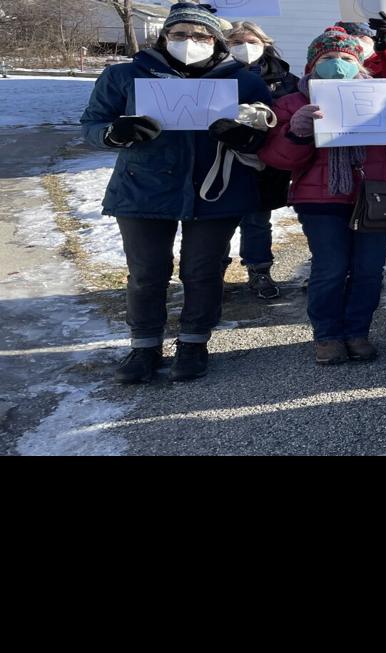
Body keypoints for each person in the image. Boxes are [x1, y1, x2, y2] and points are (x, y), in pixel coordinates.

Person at [79, 2, 273, 384]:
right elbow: (91, 125)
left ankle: (193, 342)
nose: (189, 41)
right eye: (180, 34)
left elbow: (268, 130)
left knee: (202, 271)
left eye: (200, 35)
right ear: (164, 36)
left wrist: (247, 136)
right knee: (146, 272)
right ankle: (144, 346)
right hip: (143, 188)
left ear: (216, 41)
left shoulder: (244, 80)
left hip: (216, 189)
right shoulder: (125, 75)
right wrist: (113, 133)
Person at [258, 26, 386, 366]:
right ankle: (327, 336)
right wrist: (297, 133)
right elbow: (276, 159)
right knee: (331, 268)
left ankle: (357, 332)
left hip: (376, 195)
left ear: (359, 62)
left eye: (345, 58)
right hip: (319, 199)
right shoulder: (292, 102)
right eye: (327, 58)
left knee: (369, 269)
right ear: (311, 65)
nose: (337, 64)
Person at [223, 20, 296, 299]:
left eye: (251, 41)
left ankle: (259, 271)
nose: (244, 47)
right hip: (221, 161)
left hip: (264, 163)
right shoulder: (213, 74)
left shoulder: (285, 78)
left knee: (257, 220)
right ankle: (213, 273)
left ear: (265, 43)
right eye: (236, 42)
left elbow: (290, 114)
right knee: (218, 223)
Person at [333, 12, 386, 84]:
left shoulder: (383, 60)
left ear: (372, 39)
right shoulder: (329, 60)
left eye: (361, 36)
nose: (356, 41)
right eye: (349, 38)